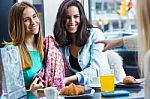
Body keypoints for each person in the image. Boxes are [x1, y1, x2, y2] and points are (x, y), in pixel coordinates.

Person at [53, 0, 122, 86]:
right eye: (67, 17)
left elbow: (96, 69)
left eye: (76, 16)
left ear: (81, 18)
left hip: (102, 88)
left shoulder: (95, 34)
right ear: (61, 20)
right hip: (82, 91)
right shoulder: (63, 43)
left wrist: (68, 79)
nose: (72, 21)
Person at [6, 2, 66, 98]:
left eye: (34, 16)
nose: (33, 22)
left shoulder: (46, 48)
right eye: (26, 20)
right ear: (18, 24)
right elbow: (8, 94)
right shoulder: (11, 52)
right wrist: (30, 91)